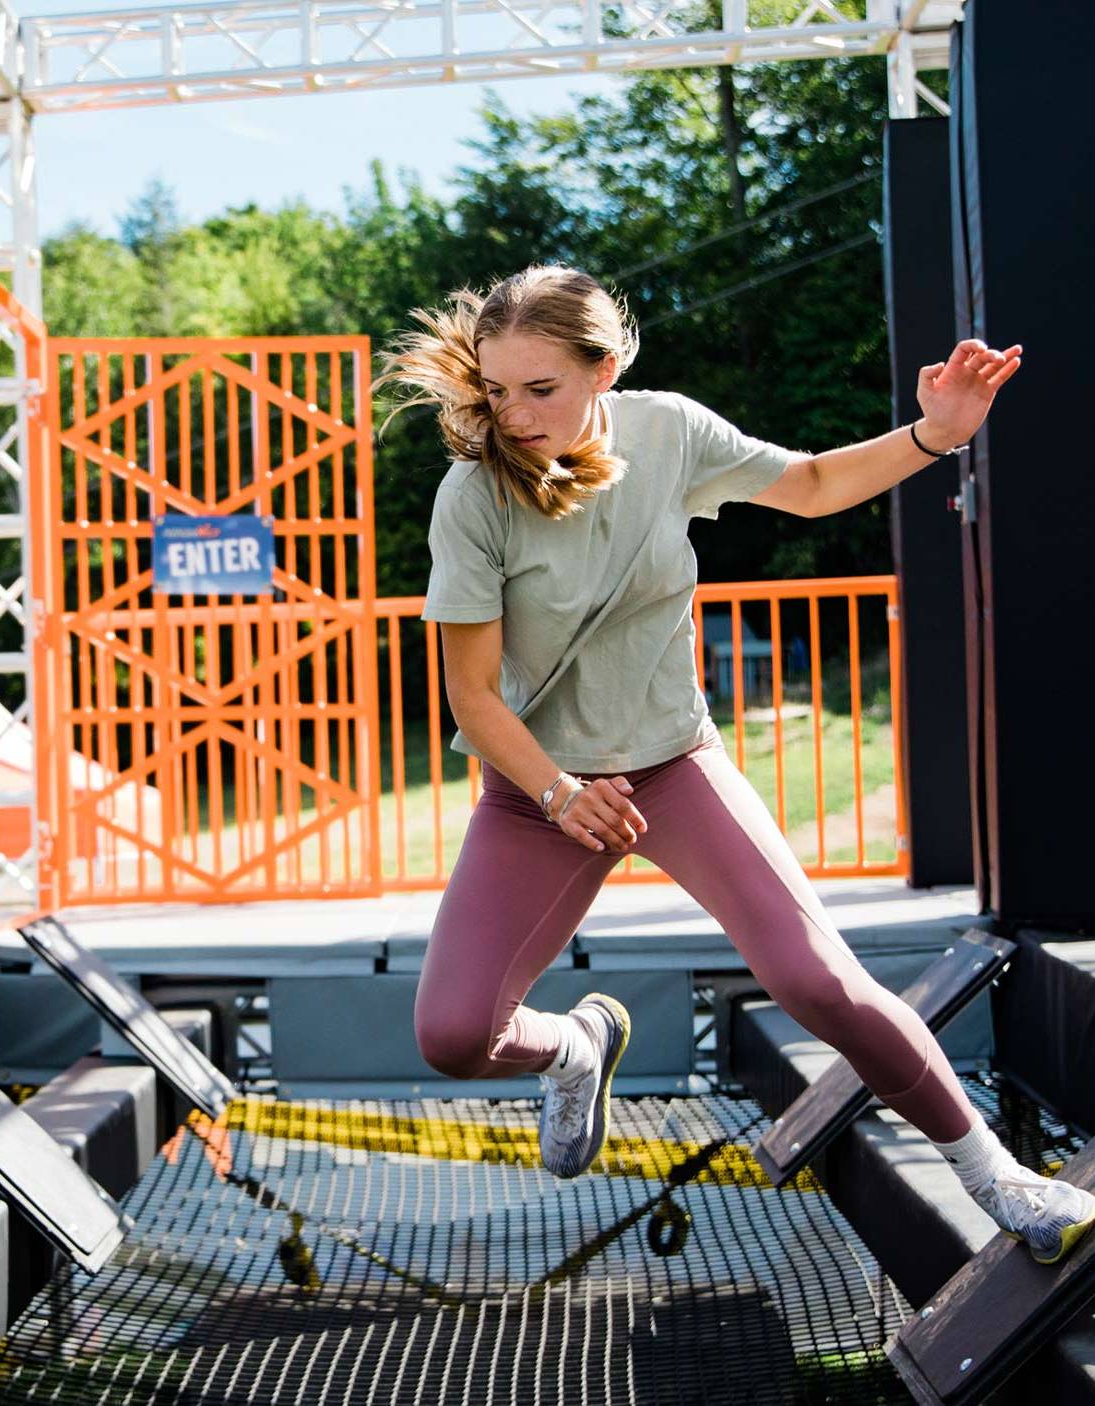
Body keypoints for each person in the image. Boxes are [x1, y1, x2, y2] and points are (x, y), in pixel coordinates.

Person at [370, 262, 1093, 1267]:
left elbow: (805, 484)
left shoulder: (666, 432)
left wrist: (937, 434)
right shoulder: (472, 495)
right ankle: (576, 1045)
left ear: (603, 371)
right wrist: (557, 791)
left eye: (539, 389)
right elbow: (473, 697)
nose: (514, 415)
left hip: (672, 764)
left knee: (816, 981)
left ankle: (993, 1171)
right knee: (451, 1033)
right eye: (496, 390)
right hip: (538, 789)